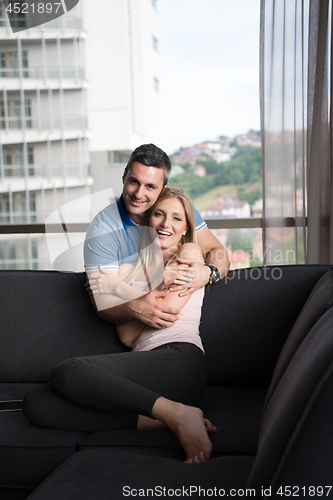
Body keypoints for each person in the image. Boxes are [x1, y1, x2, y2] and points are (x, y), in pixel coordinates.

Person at [23, 187, 216, 463]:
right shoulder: (138, 267)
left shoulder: (188, 251)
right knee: (36, 402)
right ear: (148, 220)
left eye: (176, 218)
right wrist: (151, 289)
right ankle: (168, 418)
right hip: (147, 375)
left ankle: (179, 414)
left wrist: (133, 294)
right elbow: (126, 336)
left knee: (69, 370)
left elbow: (166, 311)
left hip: (180, 361)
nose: (165, 224)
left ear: (186, 228)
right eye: (159, 214)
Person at [84, 143, 229, 331]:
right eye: (134, 181)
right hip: (129, 333)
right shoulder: (102, 229)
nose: (138, 194)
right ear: (123, 177)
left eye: (150, 186)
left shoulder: (176, 209)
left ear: (163, 188)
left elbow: (216, 251)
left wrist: (209, 273)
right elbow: (103, 304)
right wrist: (136, 307)